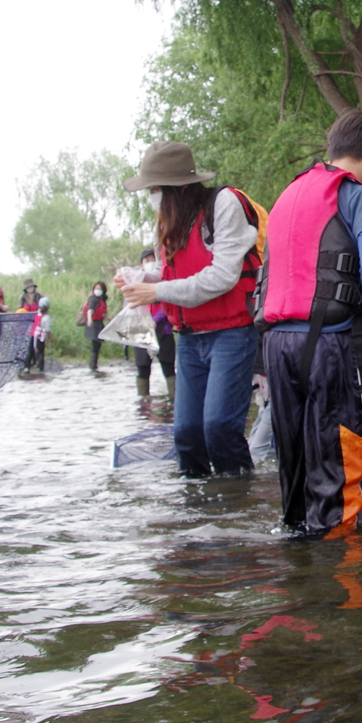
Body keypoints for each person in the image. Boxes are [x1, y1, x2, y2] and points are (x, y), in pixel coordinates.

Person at [260, 110, 362, 534]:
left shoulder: (289, 194)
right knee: (339, 472)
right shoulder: (361, 196)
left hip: (276, 347)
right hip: (332, 348)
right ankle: (343, 586)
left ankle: (300, 579)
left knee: (295, 472)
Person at [117, 141, 265, 477]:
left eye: (156, 189)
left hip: (232, 333)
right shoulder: (168, 220)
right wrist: (138, 278)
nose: (152, 196)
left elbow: (222, 277)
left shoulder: (223, 204)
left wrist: (155, 290)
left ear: (181, 187)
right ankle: (195, 516)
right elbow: (167, 273)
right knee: (186, 434)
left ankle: (238, 503)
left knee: (219, 428)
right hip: (189, 338)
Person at [129, 247, 178, 400]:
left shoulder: (164, 280)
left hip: (164, 330)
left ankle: (174, 399)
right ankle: (143, 402)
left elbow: (168, 304)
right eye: (147, 261)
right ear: (141, 265)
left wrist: (155, 321)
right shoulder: (134, 284)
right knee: (142, 368)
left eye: (153, 260)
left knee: (168, 366)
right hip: (142, 331)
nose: (150, 263)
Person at [77, 280, 110, 371]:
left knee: (98, 344)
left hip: (99, 323)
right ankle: (92, 365)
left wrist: (107, 318)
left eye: (99, 288)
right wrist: (90, 320)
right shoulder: (93, 298)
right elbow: (90, 310)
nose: (97, 290)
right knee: (95, 344)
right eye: (96, 288)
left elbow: (100, 311)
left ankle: (94, 364)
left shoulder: (101, 299)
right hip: (93, 323)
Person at [28, 297, 51, 372]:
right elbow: (47, 330)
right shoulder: (46, 317)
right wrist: (49, 336)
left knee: (30, 351)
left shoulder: (36, 314)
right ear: (48, 307)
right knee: (41, 352)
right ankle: (41, 368)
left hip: (33, 335)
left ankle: (27, 366)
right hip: (40, 337)